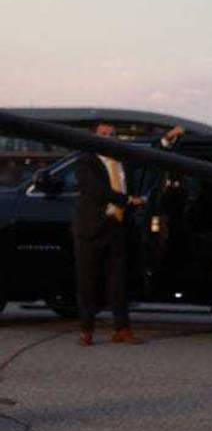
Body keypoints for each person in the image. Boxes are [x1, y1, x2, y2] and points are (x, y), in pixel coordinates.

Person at [73, 122, 184, 346]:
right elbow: (96, 190)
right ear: (93, 137)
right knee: (88, 281)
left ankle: (121, 329)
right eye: (103, 134)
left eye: (112, 134)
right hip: (91, 228)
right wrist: (128, 200)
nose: (108, 137)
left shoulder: (122, 158)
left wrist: (166, 139)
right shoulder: (86, 161)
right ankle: (86, 330)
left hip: (117, 227)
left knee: (118, 281)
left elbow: (146, 156)